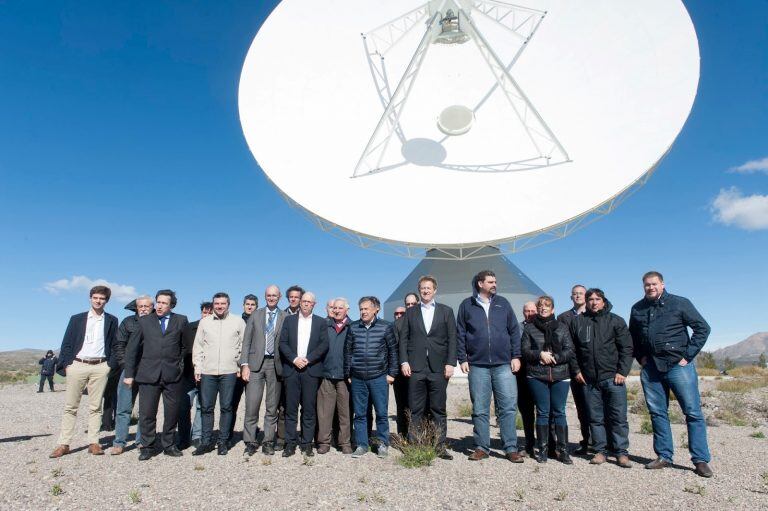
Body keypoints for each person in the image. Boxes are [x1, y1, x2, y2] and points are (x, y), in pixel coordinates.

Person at [629, 271, 713, 477]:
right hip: (651, 369)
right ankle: (664, 455)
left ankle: (700, 460)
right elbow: (632, 337)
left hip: (678, 365)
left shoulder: (680, 303)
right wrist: (641, 358)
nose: (651, 287)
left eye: (654, 284)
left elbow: (703, 328)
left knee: (692, 412)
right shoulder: (637, 308)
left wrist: (688, 356)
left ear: (663, 284)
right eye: (647, 285)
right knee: (657, 413)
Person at [457, 270, 524, 463]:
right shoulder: (466, 305)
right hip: (477, 365)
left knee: (508, 408)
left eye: (495, 281)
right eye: (490, 281)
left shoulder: (503, 303)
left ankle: (510, 448)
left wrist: (516, 356)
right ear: (480, 283)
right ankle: (481, 447)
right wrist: (462, 358)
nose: (494, 284)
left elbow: (513, 331)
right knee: (480, 408)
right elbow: (460, 333)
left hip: (503, 363)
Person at [49, 286, 118, 458]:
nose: (98, 301)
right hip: (77, 365)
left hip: (100, 366)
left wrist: (110, 364)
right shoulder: (77, 319)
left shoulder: (111, 320)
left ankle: (94, 442)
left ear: (106, 301)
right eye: (95, 297)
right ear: (90, 298)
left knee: (96, 407)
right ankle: (63, 443)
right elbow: (66, 343)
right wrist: (67, 365)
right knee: (71, 406)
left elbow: (115, 344)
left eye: (102, 298)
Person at [570, 288, 633, 468]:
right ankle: (600, 451)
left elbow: (626, 348)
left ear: (604, 301)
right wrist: (576, 371)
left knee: (618, 417)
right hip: (589, 380)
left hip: (613, 378)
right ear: (586, 302)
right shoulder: (579, 322)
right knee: (595, 418)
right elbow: (572, 350)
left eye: (597, 299)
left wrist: (622, 371)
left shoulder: (615, 321)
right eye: (590, 299)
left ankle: (621, 452)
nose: (594, 302)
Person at [124, 289, 189, 460]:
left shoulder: (181, 321)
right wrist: (129, 373)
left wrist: (178, 366)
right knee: (147, 413)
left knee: (172, 413)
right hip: (148, 374)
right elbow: (132, 349)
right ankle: (147, 446)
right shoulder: (145, 321)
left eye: (164, 303)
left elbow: (184, 347)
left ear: (171, 305)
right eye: (158, 302)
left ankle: (169, 444)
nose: (159, 306)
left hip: (172, 375)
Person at [399, 275, 457, 460]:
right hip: (415, 367)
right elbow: (404, 339)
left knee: (438, 409)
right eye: (422, 288)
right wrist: (404, 361)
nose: (425, 291)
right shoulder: (411, 312)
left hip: (438, 368)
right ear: (419, 290)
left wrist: (450, 363)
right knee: (415, 409)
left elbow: (452, 339)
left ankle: (439, 446)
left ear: (435, 290)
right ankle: (415, 444)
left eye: (428, 288)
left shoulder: (446, 312)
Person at [521, 295, 576, 464]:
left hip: (560, 374)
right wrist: (540, 355)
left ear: (552, 309)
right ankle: (543, 449)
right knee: (543, 412)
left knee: (559, 411)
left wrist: (555, 357)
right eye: (540, 306)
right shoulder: (529, 328)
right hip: (537, 375)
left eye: (547, 305)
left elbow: (570, 350)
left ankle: (563, 450)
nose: (543, 308)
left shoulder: (561, 327)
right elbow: (525, 351)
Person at [192, 293, 245, 456]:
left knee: (226, 407)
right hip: (208, 372)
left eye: (223, 303)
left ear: (228, 304)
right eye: (217, 303)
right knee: (207, 408)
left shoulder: (238, 322)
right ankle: (206, 442)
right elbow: (198, 346)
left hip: (229, 372)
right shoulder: (205, 322)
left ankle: (223, 441)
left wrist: (239, 365)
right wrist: (198, 367)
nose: (220, 306)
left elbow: (244, 345)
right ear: (213, 305)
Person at [345, 296, 398, 458]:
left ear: (376, 309)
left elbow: (393, 351)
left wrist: (391, 374)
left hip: (379, 377)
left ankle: (382, 443)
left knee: (381, 413)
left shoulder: (386, 327)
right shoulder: (353, 327)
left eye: (366, 309)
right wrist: (348, 374)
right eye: (361, 309)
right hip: (358, 378)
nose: (363, 312)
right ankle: (362, 444)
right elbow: (348, 352)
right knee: (360, 414)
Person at [279, 291, 329, 457]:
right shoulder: (289, 320)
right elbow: (283, 343)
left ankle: (307, 443)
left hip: (310, 370)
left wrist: (307, 359)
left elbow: (323, 345)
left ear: (314, 304)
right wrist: (294, 359)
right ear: (300, 302)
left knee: (308, 409)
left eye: (310, 302)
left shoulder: (321, 322)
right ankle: (290, 443)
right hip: (292, 370)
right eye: (304, 301)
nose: (306, 304)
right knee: (290, 409)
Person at [241, 285, 287, 456]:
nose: (271, 298)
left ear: (279, 296)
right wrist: (244, 364)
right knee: (252, 404)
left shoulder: (285, 316)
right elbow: (247, 341)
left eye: (274, 295)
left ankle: (268, 440)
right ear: (265, 296)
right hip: (255, 365)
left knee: (271, 406)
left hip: (275, 365)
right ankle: (250, 441)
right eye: (268, 295)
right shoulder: (256, 314)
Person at [110, 296, 154, 455]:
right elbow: (119, 345)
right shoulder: (128, 322)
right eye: (140, 306)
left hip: (149, 371)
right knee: (123, 407)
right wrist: (125, 367)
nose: (143, 309)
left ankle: (141, 441)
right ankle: (119, 442)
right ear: (136, 308)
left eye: (146, 306)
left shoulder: (156, 322)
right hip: (128, 371)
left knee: (146, 409)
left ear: (152, 307)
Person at [556, 284, 591, 455]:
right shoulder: (563, 317)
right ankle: (587, 441)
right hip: (572, 367)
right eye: (575, 294)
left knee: (597, 407)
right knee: (582, 407)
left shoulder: (593, 315)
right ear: (571, 297)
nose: (578, 296)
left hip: (592, 366)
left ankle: (603, 443)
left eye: (581, 294)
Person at [317, 298, 353, 454]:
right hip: (326, 375)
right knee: (325, 412)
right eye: (335, 308)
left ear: (347, 310)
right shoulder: (324, 326)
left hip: (345, 377)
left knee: (345, 412)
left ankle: (344, 442)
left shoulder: (353, 327)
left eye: (340, 308)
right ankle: (324, 442)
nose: (337, 310)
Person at [177, 302, 212, 450]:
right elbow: (180, 349)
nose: (207, 316)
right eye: (205, 313)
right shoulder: (189, 328)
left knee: (202, 407)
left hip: (207, 374)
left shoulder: (215, 330)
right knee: (184, 407)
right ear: (201, 313)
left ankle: (197, 436)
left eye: (210, 314)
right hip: (188, 374)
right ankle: (183, 437)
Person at [227, 294, 258, 447]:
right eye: (247, 304)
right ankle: (227, 433)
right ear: (243, 305)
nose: (250, 306)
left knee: (252, 403)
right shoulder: (237, 322)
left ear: (256, 307)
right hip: (237, 368)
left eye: (253, 304)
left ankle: (250, 433)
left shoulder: (259, 321)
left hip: (254, 368)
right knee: (232, 403)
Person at [276, 284, 304, 449]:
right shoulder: (282, 315)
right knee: (283, 404)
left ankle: (298, 436)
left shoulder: (307, 317)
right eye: (291, 297)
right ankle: (281, 437)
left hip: (303, 367)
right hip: (284, 366)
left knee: (302, 404)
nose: (294, 299)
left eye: (297, 297)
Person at [517, 301, 537, 457]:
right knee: (527, 412)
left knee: (545, 412)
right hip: (523, 375)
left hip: (541, 374)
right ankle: (529, 443)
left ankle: (548, 445)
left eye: (533, 310)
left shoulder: (545, 326)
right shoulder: (518, 327)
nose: (530, 313)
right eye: (527, 311)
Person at [391, 305, 410, 438]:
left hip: (415, 370)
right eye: (396, 313)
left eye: (402, 313)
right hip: (398, 372)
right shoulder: (392, 328)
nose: (399, 315)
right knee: (401, 404)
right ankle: (402, 435)